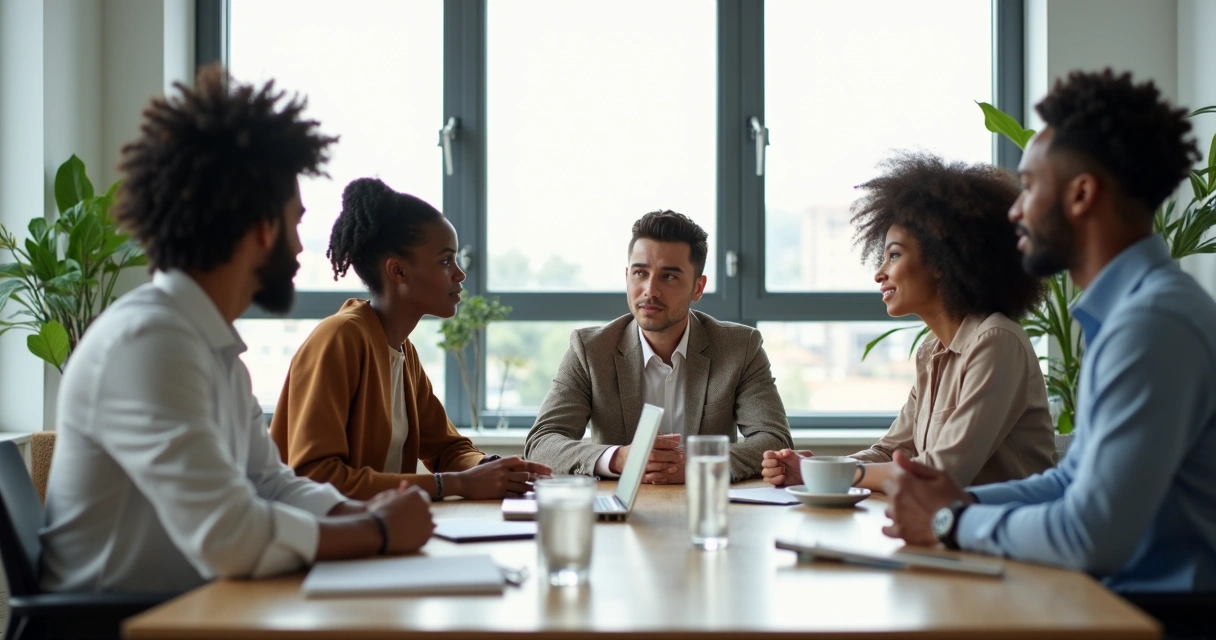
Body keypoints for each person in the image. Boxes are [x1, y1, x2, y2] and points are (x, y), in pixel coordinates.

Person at [40, 66, 434, 596]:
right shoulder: (148, 344)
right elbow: (229, 535)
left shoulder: (209, 348)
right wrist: (378, 530)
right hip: (121, 627)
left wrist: (357, 508)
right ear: (261, 227)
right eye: (295, 222)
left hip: (196, 611)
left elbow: (268, 482)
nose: (299, 247)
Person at [883, 69, 1216, 595]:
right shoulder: (1131, 314)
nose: (1014, 209)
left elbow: (1092, 535)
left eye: (1031, 186)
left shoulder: (1152, 325)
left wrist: (950, 522)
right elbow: (1071, 481)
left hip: (1160, 621)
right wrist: (959, 501)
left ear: (1082, 195)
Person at [760, 153, 1055, 492]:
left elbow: (942, 471)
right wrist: (813, 469)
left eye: (895, 255)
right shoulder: (931, 352)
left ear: (943, 260)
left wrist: (835, 476)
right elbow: (891, 451)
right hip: (944, 528)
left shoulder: (997, 341)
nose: (879, 272)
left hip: (1001, 535)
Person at [270, 178, 550, 500]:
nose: (459, 274)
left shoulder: (402, 351)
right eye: (446, 261)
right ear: (398, 271)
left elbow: (448, 449)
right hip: (315, 540)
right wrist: (457, 484)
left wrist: (493, 468)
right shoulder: (340, 338)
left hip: (371, 532)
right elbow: (317, 478)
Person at [525, 210, 793, 482]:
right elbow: (541, 444)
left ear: (698, 288)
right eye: (641, 273)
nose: (650, 290)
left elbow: (773, 440)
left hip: (705, 509)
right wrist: (618, 458)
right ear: (627, 276)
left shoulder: (739, 347)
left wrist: (699, 465)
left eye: (669, 277)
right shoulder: (590, 350)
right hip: (620, 516)